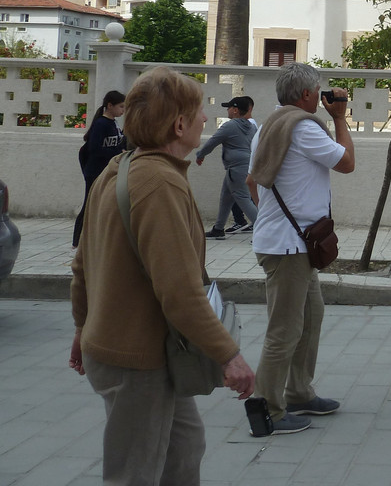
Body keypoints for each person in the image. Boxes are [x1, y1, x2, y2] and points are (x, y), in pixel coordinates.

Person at [68, 66, 256, 484]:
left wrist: (83, 327)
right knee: (134, 473)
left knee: (184, 450)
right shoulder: (158, 184)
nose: (206, 120)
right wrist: (230, 355)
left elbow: (82, 263)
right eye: (199, 112)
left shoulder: (120, 167)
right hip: (136, 362)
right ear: (179, 124)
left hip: (135, 354)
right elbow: (180, 292)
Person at [246, 63, 355, 434]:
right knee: (284, 330)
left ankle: (299, 393)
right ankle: (267, 410)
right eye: (319, 90)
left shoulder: (267, 127)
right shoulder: (304, 128)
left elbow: (251, 181)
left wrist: (272, 217)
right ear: (307, 95)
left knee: (311, 318)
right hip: (288, 247)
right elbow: (347, 163)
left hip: (291, 244)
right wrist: (340, 118)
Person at [196, 96, 258, 239]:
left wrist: (200, 154)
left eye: (229, 107)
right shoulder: (251, 126)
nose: (227, 110)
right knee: (226, 198)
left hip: (236, 169)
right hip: (245, 166)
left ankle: (266, 230)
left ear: (235, 110)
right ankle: (218, 229)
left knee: (243, 199)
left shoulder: (230, 126)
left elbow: (213, 141)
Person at [72, 90, 126, 247]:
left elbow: (118, 142)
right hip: (95, 172)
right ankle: (77, 240)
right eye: (121, 106)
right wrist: (117, 153)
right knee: (89, 205)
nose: (123, 110)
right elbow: (94, 149)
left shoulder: (114, 123)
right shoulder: (101, 124)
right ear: (110, 106)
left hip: (107, 172)